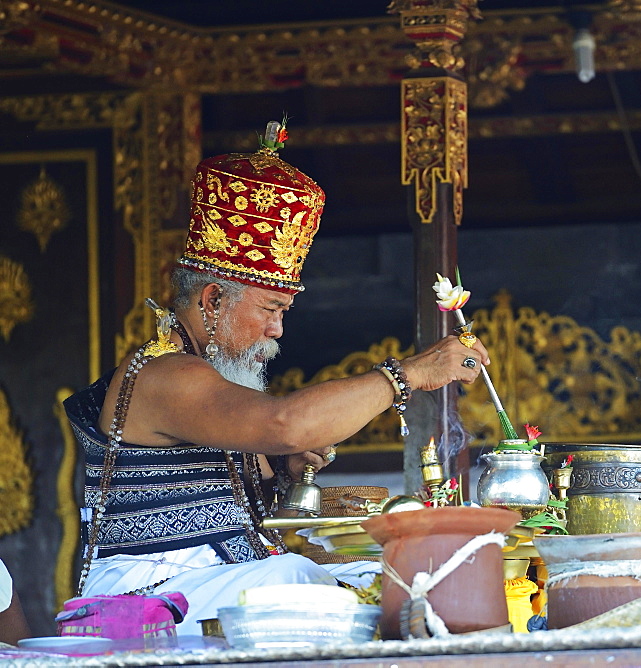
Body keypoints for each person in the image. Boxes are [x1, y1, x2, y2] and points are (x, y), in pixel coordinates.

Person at [63, 122, 490, 634]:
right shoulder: (164, 377)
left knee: (373, 576)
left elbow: (212, 482)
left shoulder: (201, 376)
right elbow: (288, 423)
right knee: (297, 580)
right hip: (150, 598)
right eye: (271, 307)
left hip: (207, 585)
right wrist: (410, 373)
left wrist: (274, 469)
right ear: (212, 300)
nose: (277, 328)